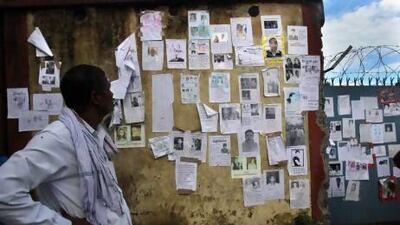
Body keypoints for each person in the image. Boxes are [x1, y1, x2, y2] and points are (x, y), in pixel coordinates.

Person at [0, 65, 132, 225]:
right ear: (96, 98)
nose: (112, 94)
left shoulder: (92, 135)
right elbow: (3, 191)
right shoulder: (58, 137)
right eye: (108, 89)